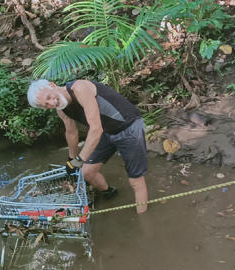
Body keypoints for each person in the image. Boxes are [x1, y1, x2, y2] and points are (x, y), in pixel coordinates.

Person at [27, 79, 149, 213]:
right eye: (46, 105)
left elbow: (96, 129)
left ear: (52, 85)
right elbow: (71, 132)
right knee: (87, 173)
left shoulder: (79, 88)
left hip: (128, 126)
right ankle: (110, 193)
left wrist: (79, 160)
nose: (52, 103)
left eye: (49, 97)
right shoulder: (61, 109)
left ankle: (143, 219)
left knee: (135, 181)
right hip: (106, 130)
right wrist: (71, 159)